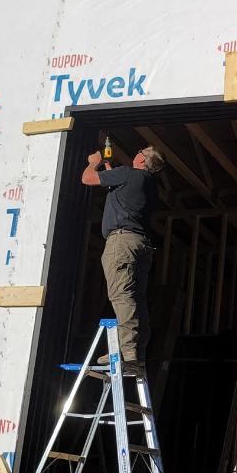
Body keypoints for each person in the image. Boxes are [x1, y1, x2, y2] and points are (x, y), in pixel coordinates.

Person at [81, 145, 166, 373]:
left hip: (122, 242)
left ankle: (127, 352)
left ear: (142, 159)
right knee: (136, 297)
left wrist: (94, 162)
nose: (136, 153)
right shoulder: (149, 184)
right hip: (141, 243)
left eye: (140, 151)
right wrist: (110, 168)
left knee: (122, 294)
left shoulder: (128, 174)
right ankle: (136, 351)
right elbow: (120, 189)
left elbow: (87, 179)